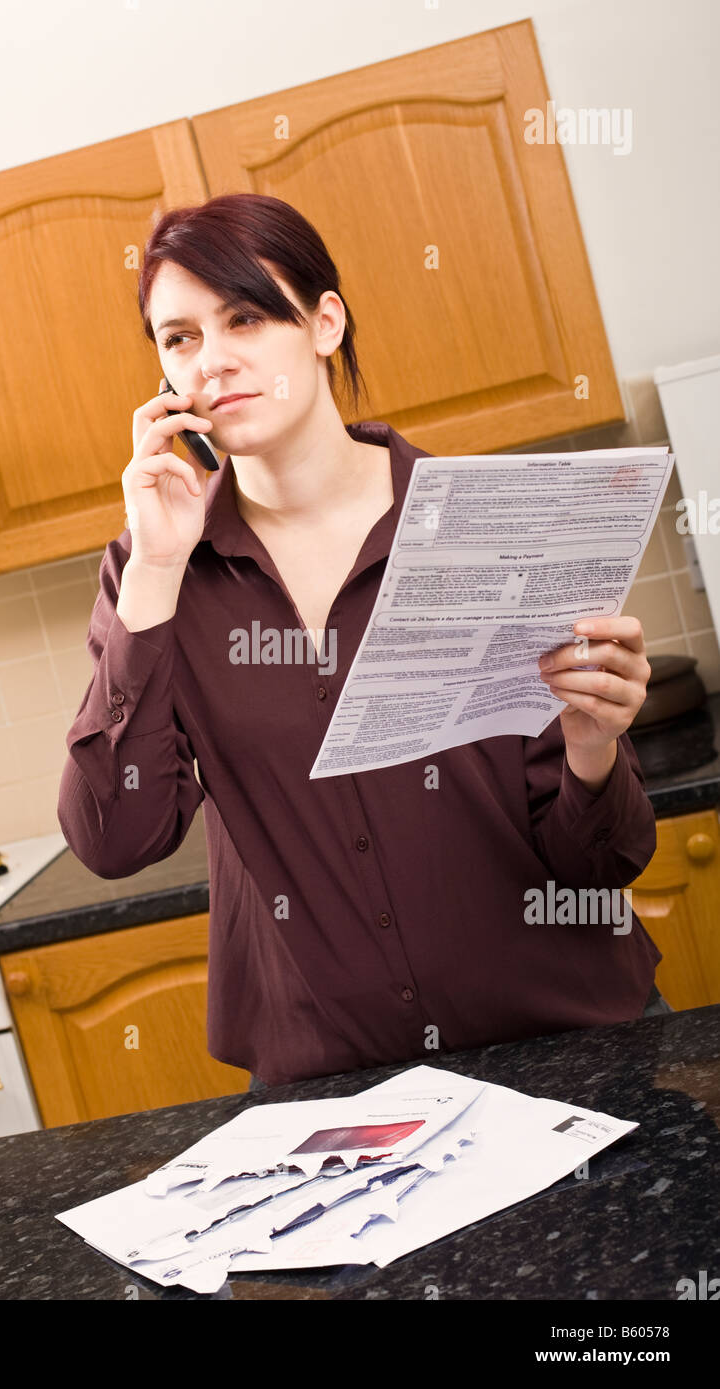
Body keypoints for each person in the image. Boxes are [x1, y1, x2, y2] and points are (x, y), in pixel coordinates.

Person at [58, 193, 670, 1090]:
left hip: (568, 1052)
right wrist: (153, 570)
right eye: (180, 338)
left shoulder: (490, 528)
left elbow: (601, 862)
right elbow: (114, 839)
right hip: (335, 1098)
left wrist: (591, 750)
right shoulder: (153, 569)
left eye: (247, 316)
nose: (215, 359)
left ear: (324, 322)